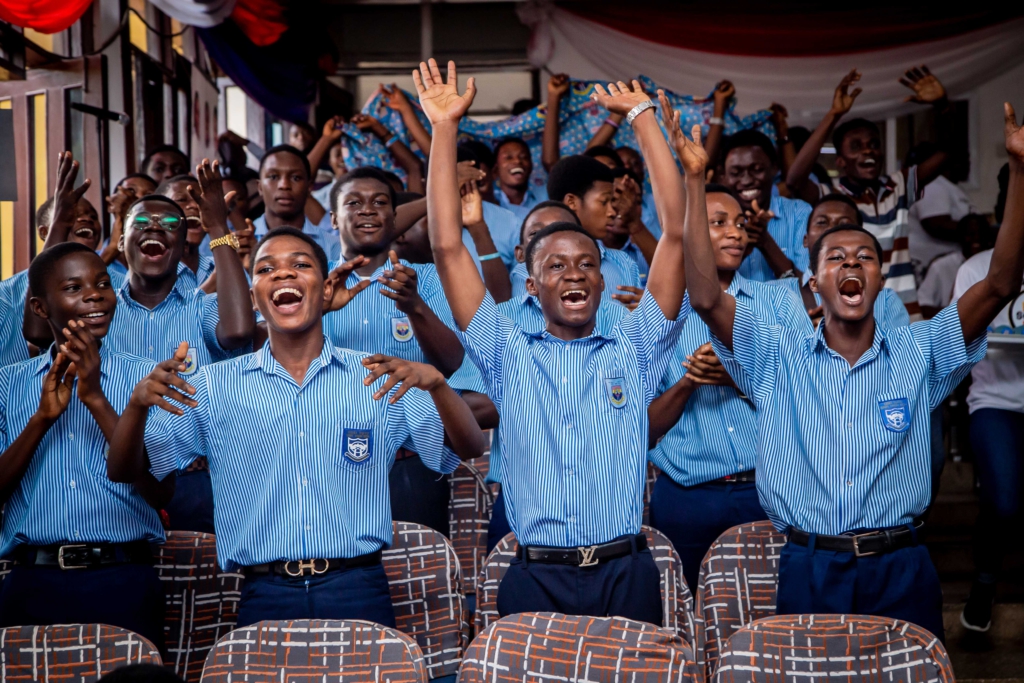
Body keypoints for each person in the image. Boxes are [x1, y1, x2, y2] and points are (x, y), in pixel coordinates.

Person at [681, 100, 1024, 640]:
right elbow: (704, 296)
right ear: (812, 283)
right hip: (810, 565)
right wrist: (696, 179)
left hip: (902, 564)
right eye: (835, 258)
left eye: (863, 256)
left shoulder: (920, 351)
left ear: (879, 281)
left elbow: (1000, 285)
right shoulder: (774, 356)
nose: (850, 264)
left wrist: (1021, 170)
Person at [418, 59, 689, 623]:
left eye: (587, 265)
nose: (574, 274)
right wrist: (444, 130)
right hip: (535, 575)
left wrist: (641, 117)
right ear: (532, 284)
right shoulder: (506, 349)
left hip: (626, 571)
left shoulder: (633, 348)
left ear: (602, 278)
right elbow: (447, 248)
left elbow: (677, 239)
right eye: (557, 265)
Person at [106, 227, 486, 627]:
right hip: (263, 593)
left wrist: (441, 386)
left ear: (324, 291)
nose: (284, 274)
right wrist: (134, 406)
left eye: (300, 265)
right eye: (267, 268)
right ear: (254, 299)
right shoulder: (211, 387)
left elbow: (470, 447)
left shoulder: (378, 376)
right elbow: (123, 471)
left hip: (359, 585)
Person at [0, 242, 172, 646]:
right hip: (33, 579)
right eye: (74, 288)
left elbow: (160, 490)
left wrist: (95, 397)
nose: (94, 295)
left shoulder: (147, 376)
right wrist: (41, 419)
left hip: (123, 578)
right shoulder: (9, 384)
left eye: (101, 284)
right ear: (41, 308)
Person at [647, 180, 810, 591]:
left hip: (769, 487)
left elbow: (808, 399)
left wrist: (738, 373)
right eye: (718, 223)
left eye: (739, 223)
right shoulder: (657, 312)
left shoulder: (781, 300)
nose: (736, 233)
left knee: (778, 610)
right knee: (689, 611)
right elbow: (641, 428)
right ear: (689, 232)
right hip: (687, 496)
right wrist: (689, 381)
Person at [321, 166, 473, 536]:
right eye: (354, 203)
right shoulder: (315, 283)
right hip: (326, 459)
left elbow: (452, 363)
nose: (368, 211)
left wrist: (415, 305)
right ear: (333, 219)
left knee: (417, 579)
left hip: (412, 461)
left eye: (380, 203)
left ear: (394, 218)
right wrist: (315, 311)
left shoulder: (431, 279)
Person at [104, 161, 255, 533]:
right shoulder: (100, 314)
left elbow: (238, 331)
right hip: (113, 481)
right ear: (121, 242)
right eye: (141, 223)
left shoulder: (201, 308)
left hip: (196, 481)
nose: (155, 228)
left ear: (182, 241)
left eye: (171, 225)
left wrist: (218, 227)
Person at [485, 200, 628, 553]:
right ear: (528, 272)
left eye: (581, 257)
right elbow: (473, 406)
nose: (573, 272)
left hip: (604, 503)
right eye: (545, 241)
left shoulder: (622, 323)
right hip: (526, 494)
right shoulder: (502, 325)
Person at [786, 66, 956, 322]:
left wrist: (943, 106)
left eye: (874, 145)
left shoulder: (898, 187)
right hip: (857, 317)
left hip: (906, 316)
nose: (869, 151)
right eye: (856, 147)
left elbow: (947, 152)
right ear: (841, 161)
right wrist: (833, 115)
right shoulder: (831, 197)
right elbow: (794, 179)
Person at [954, 211, 1024, 633]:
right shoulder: (977, 269)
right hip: (994, 400)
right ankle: (984, 584)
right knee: (1004, 502)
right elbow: (959, 335)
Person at [8, 154, 120, 366]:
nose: (85, 219)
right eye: (72, 215)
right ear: (45, 232)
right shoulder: (9, 292)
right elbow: (38, 334)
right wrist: (61, 222)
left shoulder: (118, 284)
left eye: (92, 215)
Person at [770, 194, 910, 330]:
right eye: (822, 222)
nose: (831, 230)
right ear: (805, 239)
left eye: (844, 224)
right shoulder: (773, 295)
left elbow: (898, 352)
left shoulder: (885, 301)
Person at [523, 155, 641, 307]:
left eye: (612, 202)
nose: (612, 212)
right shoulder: (530, 270)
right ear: (571, 202)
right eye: (604, 202)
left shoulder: (624, 263)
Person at [719, 129, 812, 283]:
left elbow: (810, 289)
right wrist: (741, 247)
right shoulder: (711, 220)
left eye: (757, 170)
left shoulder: (800, 213)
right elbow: (707, 290)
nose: (747, 180)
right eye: (736, 173)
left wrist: (766, 242)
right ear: (723, 177)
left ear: (774, 168)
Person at [253, 145, 341, 261]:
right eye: (273, 177)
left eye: (296, 178)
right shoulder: (240, 242)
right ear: (259, 187)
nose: (284, 185)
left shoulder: (333, 246)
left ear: (309, 187)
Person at [906, 143, 976, 282]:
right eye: (964, 159)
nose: (969, 164)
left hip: (948, 267)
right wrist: (978, 232)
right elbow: (936, 224)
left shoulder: (951, 187)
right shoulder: (933, 184)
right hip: (931, 269)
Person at [919, 214, 995, 318]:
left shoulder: (997, 264)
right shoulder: (941, 266)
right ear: (960, 236)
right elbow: (922, 307)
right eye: (970, 234)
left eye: (981, 233)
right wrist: (957, 315)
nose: (976, 238)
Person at [493, 137, 548, 219]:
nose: (517, 161)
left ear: (531, 166)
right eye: (508, 157)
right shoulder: (489, 203)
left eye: (523, 157)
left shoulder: (544, 198)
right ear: (496, 170)